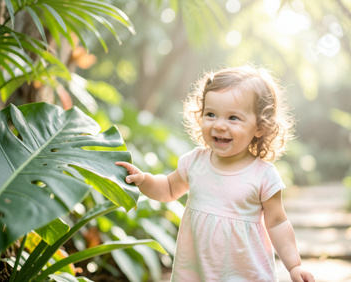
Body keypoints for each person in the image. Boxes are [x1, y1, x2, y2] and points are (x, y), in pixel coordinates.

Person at [116, 65, 315, 282]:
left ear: (259, 127)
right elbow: (169, 189)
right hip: (196, 272)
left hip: (245, 273)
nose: (219, 125)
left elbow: (277, 222)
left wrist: (294, 266)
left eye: (233, 118)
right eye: (211, 114)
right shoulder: (195, 162)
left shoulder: (263, 175)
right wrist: (144, 179)